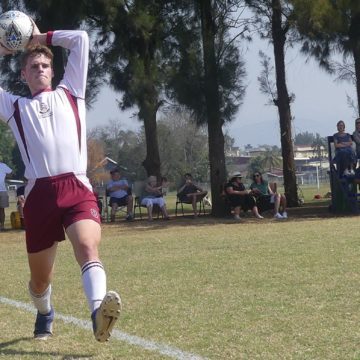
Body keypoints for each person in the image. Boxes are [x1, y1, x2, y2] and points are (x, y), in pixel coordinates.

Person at [0, 21, 121, 342]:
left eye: (45, 65)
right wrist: (3, 46)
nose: (40, 68)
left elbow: (80, 40)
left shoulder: (72, 92)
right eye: (33, 66)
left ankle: (98, 314)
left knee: (87, 247)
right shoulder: (15, 106)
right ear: (23, 75)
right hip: (39, 194)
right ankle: (44, 312)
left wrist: (41, 38)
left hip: (77, 188)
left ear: (53, 72)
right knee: (40, 280)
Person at [0, 162, 12, 231]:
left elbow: (11, 173)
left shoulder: (3, 165)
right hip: (3, 191)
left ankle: (2, 226)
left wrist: (4, 176)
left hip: (3, 190)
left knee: (2, 209)